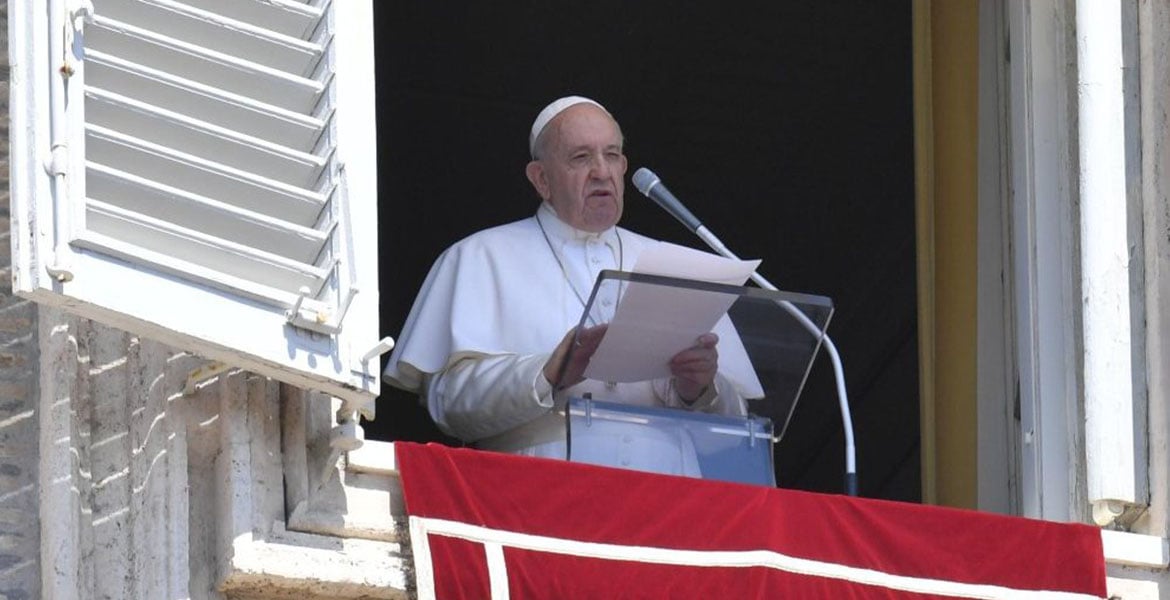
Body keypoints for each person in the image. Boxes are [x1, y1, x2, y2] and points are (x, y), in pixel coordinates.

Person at [383, 96, 749, 477]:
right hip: (541, 487)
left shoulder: (679, 267)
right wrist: (548, 373)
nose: (601, 172)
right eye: (581, 157)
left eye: (611, 155)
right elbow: (449, 404)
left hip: (668, 492)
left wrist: (701, 389)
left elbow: (739, 431)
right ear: (541, 179)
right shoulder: (480, 256)